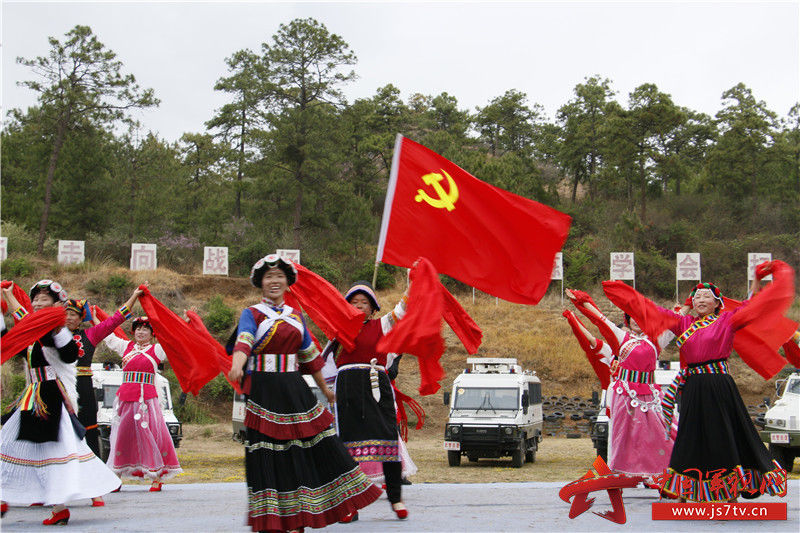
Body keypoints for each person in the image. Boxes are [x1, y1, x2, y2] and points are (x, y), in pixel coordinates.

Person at [227, 254, 381, 533]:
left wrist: (325, 390)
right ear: (260, 283)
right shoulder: (252, 314)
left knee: (310, 451)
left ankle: (303, 516)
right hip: (263, 392)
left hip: (295, 392)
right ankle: (272, 521)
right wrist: (237, 365)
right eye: (269, 277)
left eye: (279, 276)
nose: (274, 281)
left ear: (287, 283)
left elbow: (310, 357)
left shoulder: (296, 318)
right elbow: (244, 340)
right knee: (269, 455)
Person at [641, 273, 789, 502]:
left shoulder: (727, 320)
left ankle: (730, 491)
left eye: (706, 296)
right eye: (697, 296)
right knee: (689, 435)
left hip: (718, 384)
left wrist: (757, 283)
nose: (700, 299)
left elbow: (750, 307)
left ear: (717, 303)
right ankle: (684, 490)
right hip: (692, 386)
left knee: (724, 434)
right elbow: (660, 316)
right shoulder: (685, 323)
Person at [1, 280, 121, 526]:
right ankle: (11, 497)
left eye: (43, 300)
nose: (36, 303)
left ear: (57, 304)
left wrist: (10, 298)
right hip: (35, 395)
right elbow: (10, 339)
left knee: (48, 452)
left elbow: (66, 353)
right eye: (35, 299)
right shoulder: (37, 331)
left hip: (49, 397)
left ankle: (54, 506)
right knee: (14, 445)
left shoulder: (55, 332)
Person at [323, 281, 410, 522]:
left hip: (376, 386)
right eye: (354, 302)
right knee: (346, 445)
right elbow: (322, 358)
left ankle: (396, 498)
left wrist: (412, 284)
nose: (360, 306)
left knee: (388, 438)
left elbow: (403, 310)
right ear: (347, 307)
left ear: (373, 309)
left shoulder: (382, 324)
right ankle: (349, 504)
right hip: (347, 388)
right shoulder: (338, 330)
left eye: (365, 303)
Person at [565, 289, 676, 478]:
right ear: (627, 320)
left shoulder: (655, 341)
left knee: (662, 434)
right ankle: (621, 472)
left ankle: (663, 472)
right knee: (624, 437)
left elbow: (677, 323)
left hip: (651, 395)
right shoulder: (620, 340)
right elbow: (600, 321)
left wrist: (688, 305)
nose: (635, 320)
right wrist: (581, 305)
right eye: (631, 317)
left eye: (640, 317)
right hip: (626, 396)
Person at [63, 289, 145, 506]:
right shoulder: (52, 335)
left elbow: (117, 318)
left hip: (83, 387)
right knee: (57, 435)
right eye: (66, 313)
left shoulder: (90, 335)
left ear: (82, 318)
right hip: (59, 388)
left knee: (89, 435)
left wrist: (135, 296)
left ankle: (95, 489)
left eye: (73, 314)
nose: (69, 318)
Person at [101, 308, 182, 491]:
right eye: (138, 328)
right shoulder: (126, 347)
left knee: (151, 435)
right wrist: (95, 319)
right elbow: (108, 335)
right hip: (126, 399)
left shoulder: (158, 350)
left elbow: (174, 339)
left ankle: (156, 476)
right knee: (121, 436)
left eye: (145, 329)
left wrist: (184, 322)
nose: (141, 332)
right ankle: (116, 476)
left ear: (152, 334)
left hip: (147, 401)